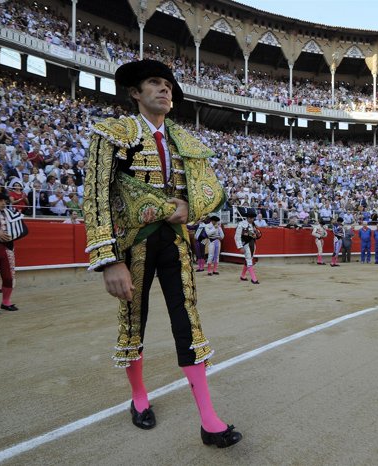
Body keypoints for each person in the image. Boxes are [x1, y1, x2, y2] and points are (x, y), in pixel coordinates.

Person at [83, 59, 241, 447]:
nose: (164, 88)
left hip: (175, 242)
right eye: (154, 83)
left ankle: (209, 419)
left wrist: (195, 209)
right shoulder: (113, 133)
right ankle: (139, 399)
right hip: (132, 244)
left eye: (168, 84)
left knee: (187, 319)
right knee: (133, 318)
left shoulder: (185, 141)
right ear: (135, 92)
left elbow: (210, 193)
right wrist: (109, 260)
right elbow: (96, 195)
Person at [235, 210, 261, 284]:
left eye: (253, 218)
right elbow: (237, 237)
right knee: (249, 260)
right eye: (251, 218)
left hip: (252, 244)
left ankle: (243, 276)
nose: (253, 219)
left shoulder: (253, 225)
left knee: (249, 259)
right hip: (246, 244)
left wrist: (256, 234)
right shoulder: (241, 224)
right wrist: (240, 247)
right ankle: (254, 279)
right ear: (248, 218)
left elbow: (257, 235)